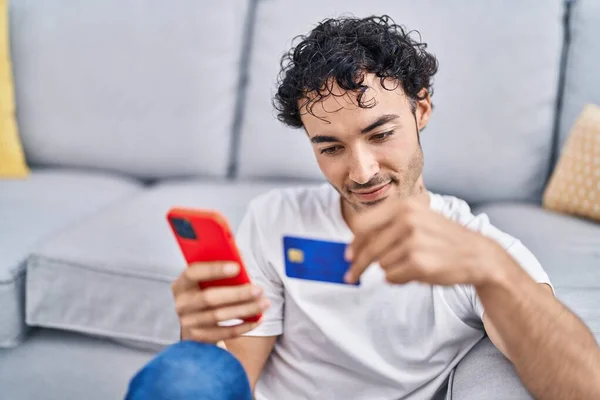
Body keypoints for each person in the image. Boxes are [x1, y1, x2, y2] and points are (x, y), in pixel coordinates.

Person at [126, 15, 600, 400]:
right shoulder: (275, 218)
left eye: (380, 134)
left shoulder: (477, 248)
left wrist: (493, 271)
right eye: (330, 148)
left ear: (422, 110)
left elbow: (585, 388)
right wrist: (200, 339)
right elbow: (235, 377)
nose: (361, 171)